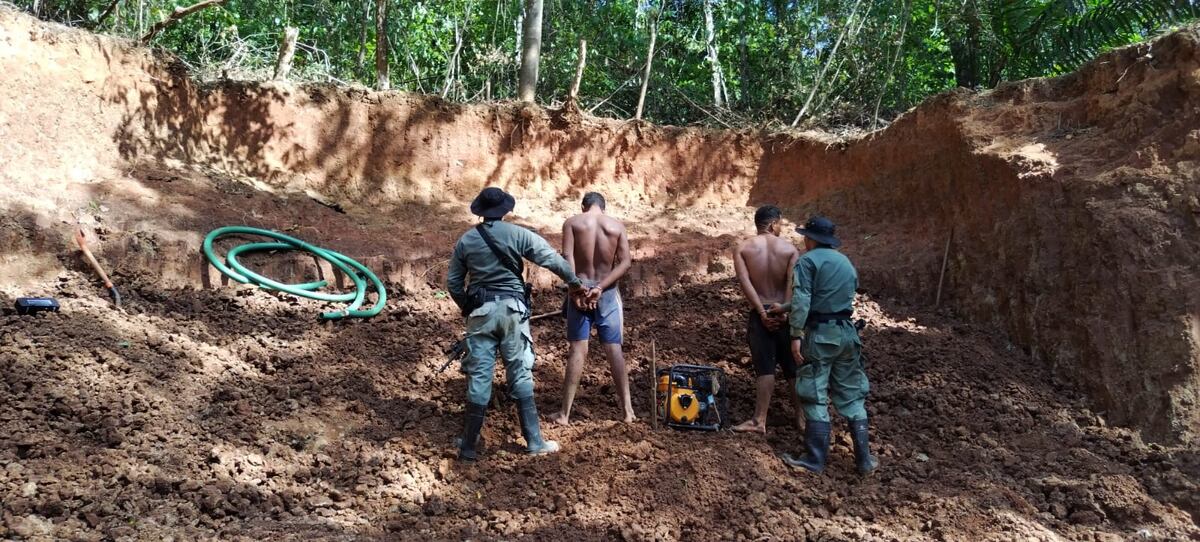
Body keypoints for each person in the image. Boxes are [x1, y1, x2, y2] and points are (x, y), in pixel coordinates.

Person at [447, 187, 592, 461]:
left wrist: (469, 306)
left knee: (479, 376)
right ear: (504, 210)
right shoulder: (518, 234)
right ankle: (534, 441)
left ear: (480, 211)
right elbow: (551, 259)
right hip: (513, 312)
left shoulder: (466, 240)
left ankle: (468, 446)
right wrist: (574, 283)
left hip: (480, 314)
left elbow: (453, 283)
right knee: (519, 372)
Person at [780, 216, 878, 475]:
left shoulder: (807, 261)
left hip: (821, 335)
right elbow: (831, 297)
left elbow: (803, 299)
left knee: (813, 391)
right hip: (847, 334)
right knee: (852, 393)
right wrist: (784, 307)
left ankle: (814, 459)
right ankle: (864, 461)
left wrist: (795, 334)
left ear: (810, 239)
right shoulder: (845, 262)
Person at [550, 192, 636, 425]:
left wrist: (575, 287)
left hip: (579, 290)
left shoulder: (572, 223)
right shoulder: (617, 226)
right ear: (603, 208)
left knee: (578, 349)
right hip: (606, 293)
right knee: (614, 349)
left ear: (583, 206)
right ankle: (628, 412)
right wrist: (600, 287)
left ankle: (564, 414)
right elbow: (625, 262)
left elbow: (567, 256)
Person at [730, 205, 803, 434]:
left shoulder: (743, 249)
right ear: (773, 224)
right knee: (793, 368)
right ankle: (802, 418)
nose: (781, 228)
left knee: (765, 369)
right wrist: (784, 312)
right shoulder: (790, 250)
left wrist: (762, 312)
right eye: (780, 223)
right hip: (784, 313)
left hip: (760, 314)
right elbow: (792, 284)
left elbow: (745, 283)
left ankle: (759, 420)